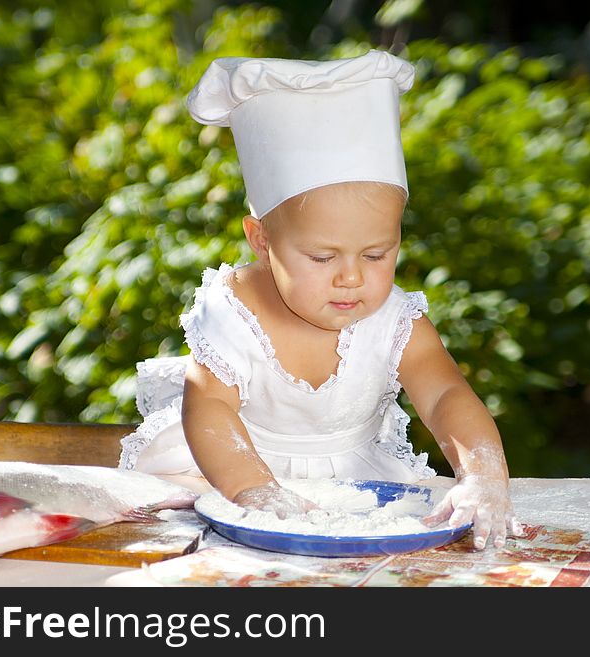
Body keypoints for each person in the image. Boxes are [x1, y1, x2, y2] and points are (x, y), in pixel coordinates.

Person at [119, 50, 522, 549]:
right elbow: (210, 412)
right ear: (262, 240)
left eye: (376, 254)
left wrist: (482, 474)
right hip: (222, 470)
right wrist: (254, 491)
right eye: (321, 257)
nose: (351, 277)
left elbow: (445, 396)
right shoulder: (234, 313)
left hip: (353, 483)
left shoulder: (395, 321)